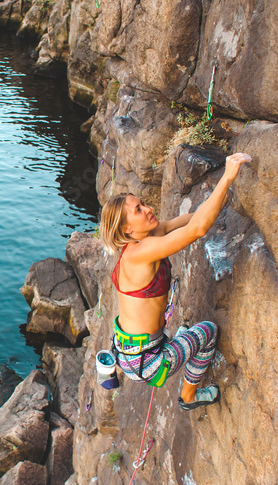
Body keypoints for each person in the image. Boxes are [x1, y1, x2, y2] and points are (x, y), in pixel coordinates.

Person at [98, 152, 252, 410]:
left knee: (188, 334)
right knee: (208, 332)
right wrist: (227, 177)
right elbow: (197, 230)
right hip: (146, 362)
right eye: (138, 210)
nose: (148, 209)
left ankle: (177, 346)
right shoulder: (138, 254)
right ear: (127, 229)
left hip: (134, 348)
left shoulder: (146, 236)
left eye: (143, 203)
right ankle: (189, 397)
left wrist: (221, 196)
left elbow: (190, 220)